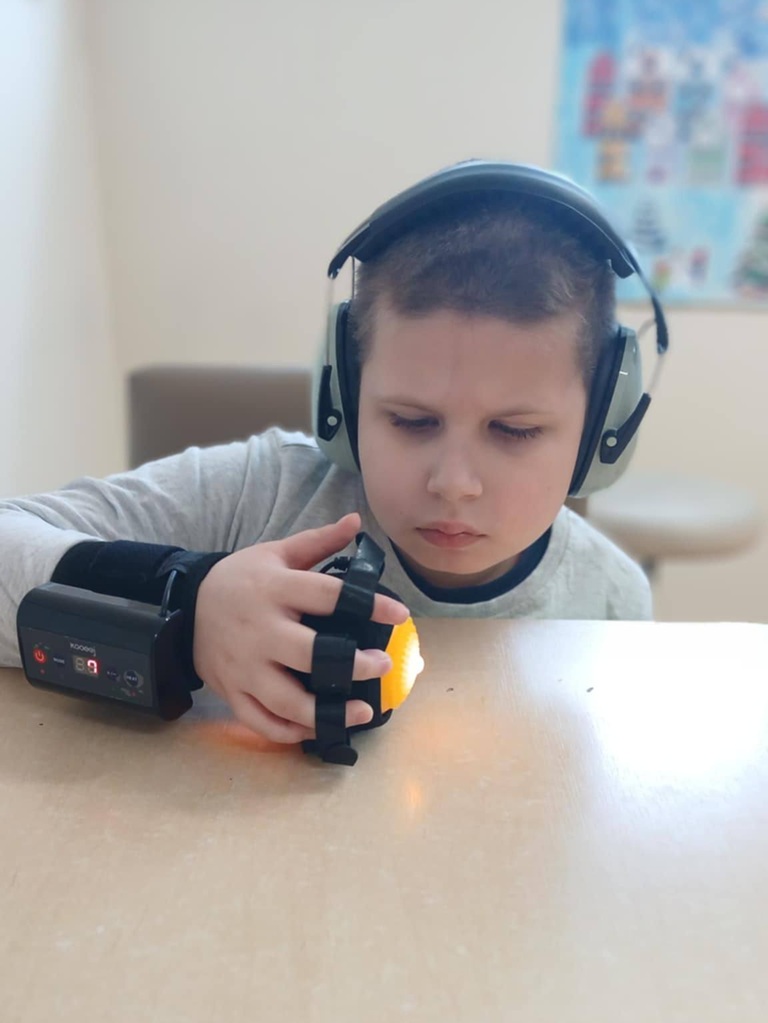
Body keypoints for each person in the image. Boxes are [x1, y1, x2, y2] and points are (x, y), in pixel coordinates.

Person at [0, 160, 668, 744]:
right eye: (410, 421)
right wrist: (189, 601)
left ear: (601, 430)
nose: (454, 483)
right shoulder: (258, 495)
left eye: (514, 431)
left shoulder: (614, 600)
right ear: (342, 399)